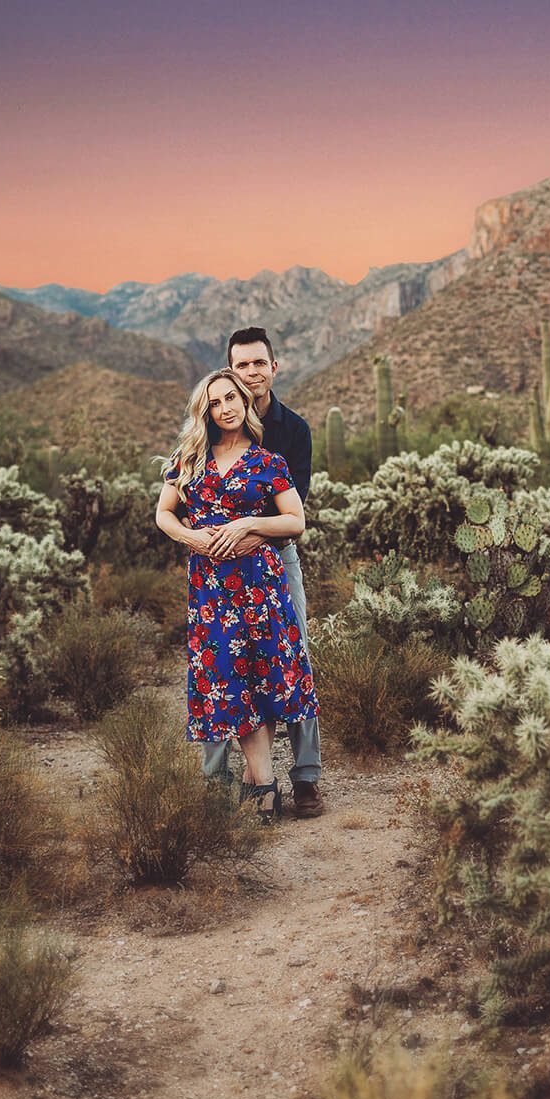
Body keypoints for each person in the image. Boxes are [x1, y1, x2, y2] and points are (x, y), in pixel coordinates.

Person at [154, 367, 318, 822]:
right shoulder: (188, 460)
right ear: (203, 410)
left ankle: (260, 783)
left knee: (259, 680)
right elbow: (164, 515)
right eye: (215, 402)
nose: (225, 408)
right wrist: (194, 539)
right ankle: (262, 781)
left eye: (232, 398)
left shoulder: (268, 462)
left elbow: (294, 521)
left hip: (260, 584)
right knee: (230, 681)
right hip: (210, 588)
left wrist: (250, 525)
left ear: (246, 404)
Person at [196, 327, 326, 818]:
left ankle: (306, 777)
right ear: (230, 371)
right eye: (241, 365)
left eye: (258, 364)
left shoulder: (293, 431)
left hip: (275, 559)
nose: (251, 373)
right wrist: (211, 543)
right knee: (222, 667)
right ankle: (217, 779)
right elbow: (188, 503)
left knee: (293, 657)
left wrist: (246, 533)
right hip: (218, 569)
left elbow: (293, 515)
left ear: (275, 367)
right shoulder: (208, 430)